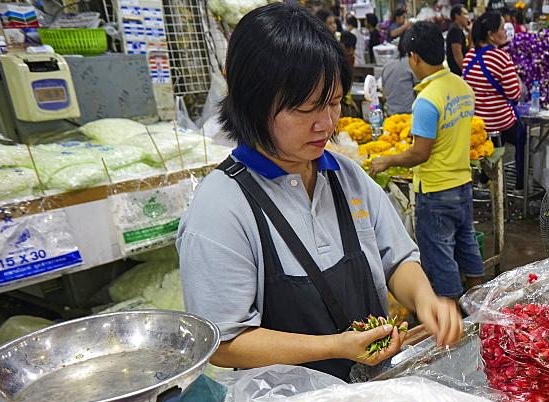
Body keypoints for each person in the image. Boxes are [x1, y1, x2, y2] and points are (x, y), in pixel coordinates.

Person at [176, 4, 462, 381]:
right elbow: (224, 342)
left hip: (373, 401)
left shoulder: (346, 176)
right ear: (254, 103)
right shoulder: (221, 209)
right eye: (306, 109)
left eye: (333, 102)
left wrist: (425, 300)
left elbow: (397, 260)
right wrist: (332, 346)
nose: (327, 124)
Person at [369, 23, 484, 298]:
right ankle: (480, 304)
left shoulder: (427, 100)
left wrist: (386, 161)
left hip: (435, 190)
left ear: (414, 57)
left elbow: (420, 153)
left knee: (439, 256)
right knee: (467, 243)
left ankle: (450, 316)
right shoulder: (462, 87)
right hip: (463, 184)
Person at [462, 11, 524, 189]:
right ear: (491, 35)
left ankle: (484, 178)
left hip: (478, 123)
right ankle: (520, 185)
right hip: (499, 121)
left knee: (493, 141)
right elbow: (515, 94)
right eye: (503, 28)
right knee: (522, 138)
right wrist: (518, 81)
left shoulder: (469, 57)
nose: (505, 32)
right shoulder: (501, 58)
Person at [381, 41, 419, 115]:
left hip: (391, 114)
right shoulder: (410, 64)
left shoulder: (386, 66)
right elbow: (419, 92)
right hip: (409, 114)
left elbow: (384, 95)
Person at [446, 4, 470, 75]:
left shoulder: (458, 29)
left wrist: (470, 32)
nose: (467, 17)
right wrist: (465, 72)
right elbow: (457, 53)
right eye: (465, 14)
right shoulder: (455, 30)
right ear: (457, 16)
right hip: (458, 72)